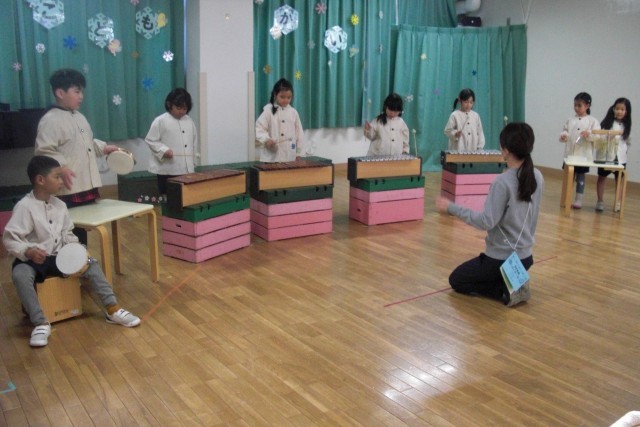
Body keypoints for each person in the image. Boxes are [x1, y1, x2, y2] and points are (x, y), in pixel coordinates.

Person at [2, 156, 141, 348]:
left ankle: (112, 309)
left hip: (58, 256)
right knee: (20, 275)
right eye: (57, 177)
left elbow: (67, 233)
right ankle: (40, 322)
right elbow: (10, 239)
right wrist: (29, 251)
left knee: (91, 263)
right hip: (33, 259)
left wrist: (78, 252)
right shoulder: (24, 207)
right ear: (40, 180)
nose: (61, 181)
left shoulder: (60, 205)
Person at [435, 123, 544, 307]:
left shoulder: (502, 182)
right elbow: (533, 219)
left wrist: (451, 208)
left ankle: (504, 291)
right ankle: (512, 282)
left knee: (457, 280)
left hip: (500, 260)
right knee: (478, 274)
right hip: (526, 258)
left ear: (506, 150)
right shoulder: (537, 175)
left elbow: (486, 221)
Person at [34, 68, 120, 243]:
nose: (81, 96)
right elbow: (43, 151)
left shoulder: (79, 116)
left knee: (80, 229)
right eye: (77, 91)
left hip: (84, 185)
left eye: (82, 92)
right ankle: (67, 258)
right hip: (67, 189)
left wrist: (103, 148)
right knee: (66, 230)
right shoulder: (50, 120)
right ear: (60, 93)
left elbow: (87, 142)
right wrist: (61, 167)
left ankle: (81, 257)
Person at [145, 88, 199, 195]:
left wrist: (193, 161)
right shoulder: (161, 120)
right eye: (178, 108)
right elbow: (150, 139)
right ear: (169, 105)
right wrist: (163, 150)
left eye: (185, 108)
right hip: (167, 169)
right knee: (168, 197)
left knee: (185, 197)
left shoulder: (189, 121)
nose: (182, 111)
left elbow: (194, 142)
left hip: (186, 169)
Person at [559, 92, 600, 209]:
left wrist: (589, 134)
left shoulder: (592, 121)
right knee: (568, 177)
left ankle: (578, 200)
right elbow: (565, 131)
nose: (576, 108)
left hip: (583, 156)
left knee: (581, 177)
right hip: (570, 155)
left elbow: (597, 136)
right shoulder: (570, 120)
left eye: (579, 105)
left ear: (587, 106)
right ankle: (566, 198)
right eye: (575, 105)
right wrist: (564, 135)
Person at [595, 97, 632, 212]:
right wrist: (609, 137)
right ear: (613, 109)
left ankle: (618, 202)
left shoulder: (626, 125)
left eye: (622, 109)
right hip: (606, 156)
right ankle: (600, 201)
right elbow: (599, 137)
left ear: (627, 111)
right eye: (617, 109)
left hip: (620, 157)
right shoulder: (607, 122)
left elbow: (626, 140)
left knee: (620, 179)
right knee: (602, 177)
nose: (619, 111)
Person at [255, 78, 304, 162]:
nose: (286, 100)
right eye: (282, 97)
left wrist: (298, 153)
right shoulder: (268, 111)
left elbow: (299, 134)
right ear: (275, 95)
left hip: (289, 157)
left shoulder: (293, 112)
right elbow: (259, 128)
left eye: (289, 97)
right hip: (271, 158)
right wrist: (266, 140)